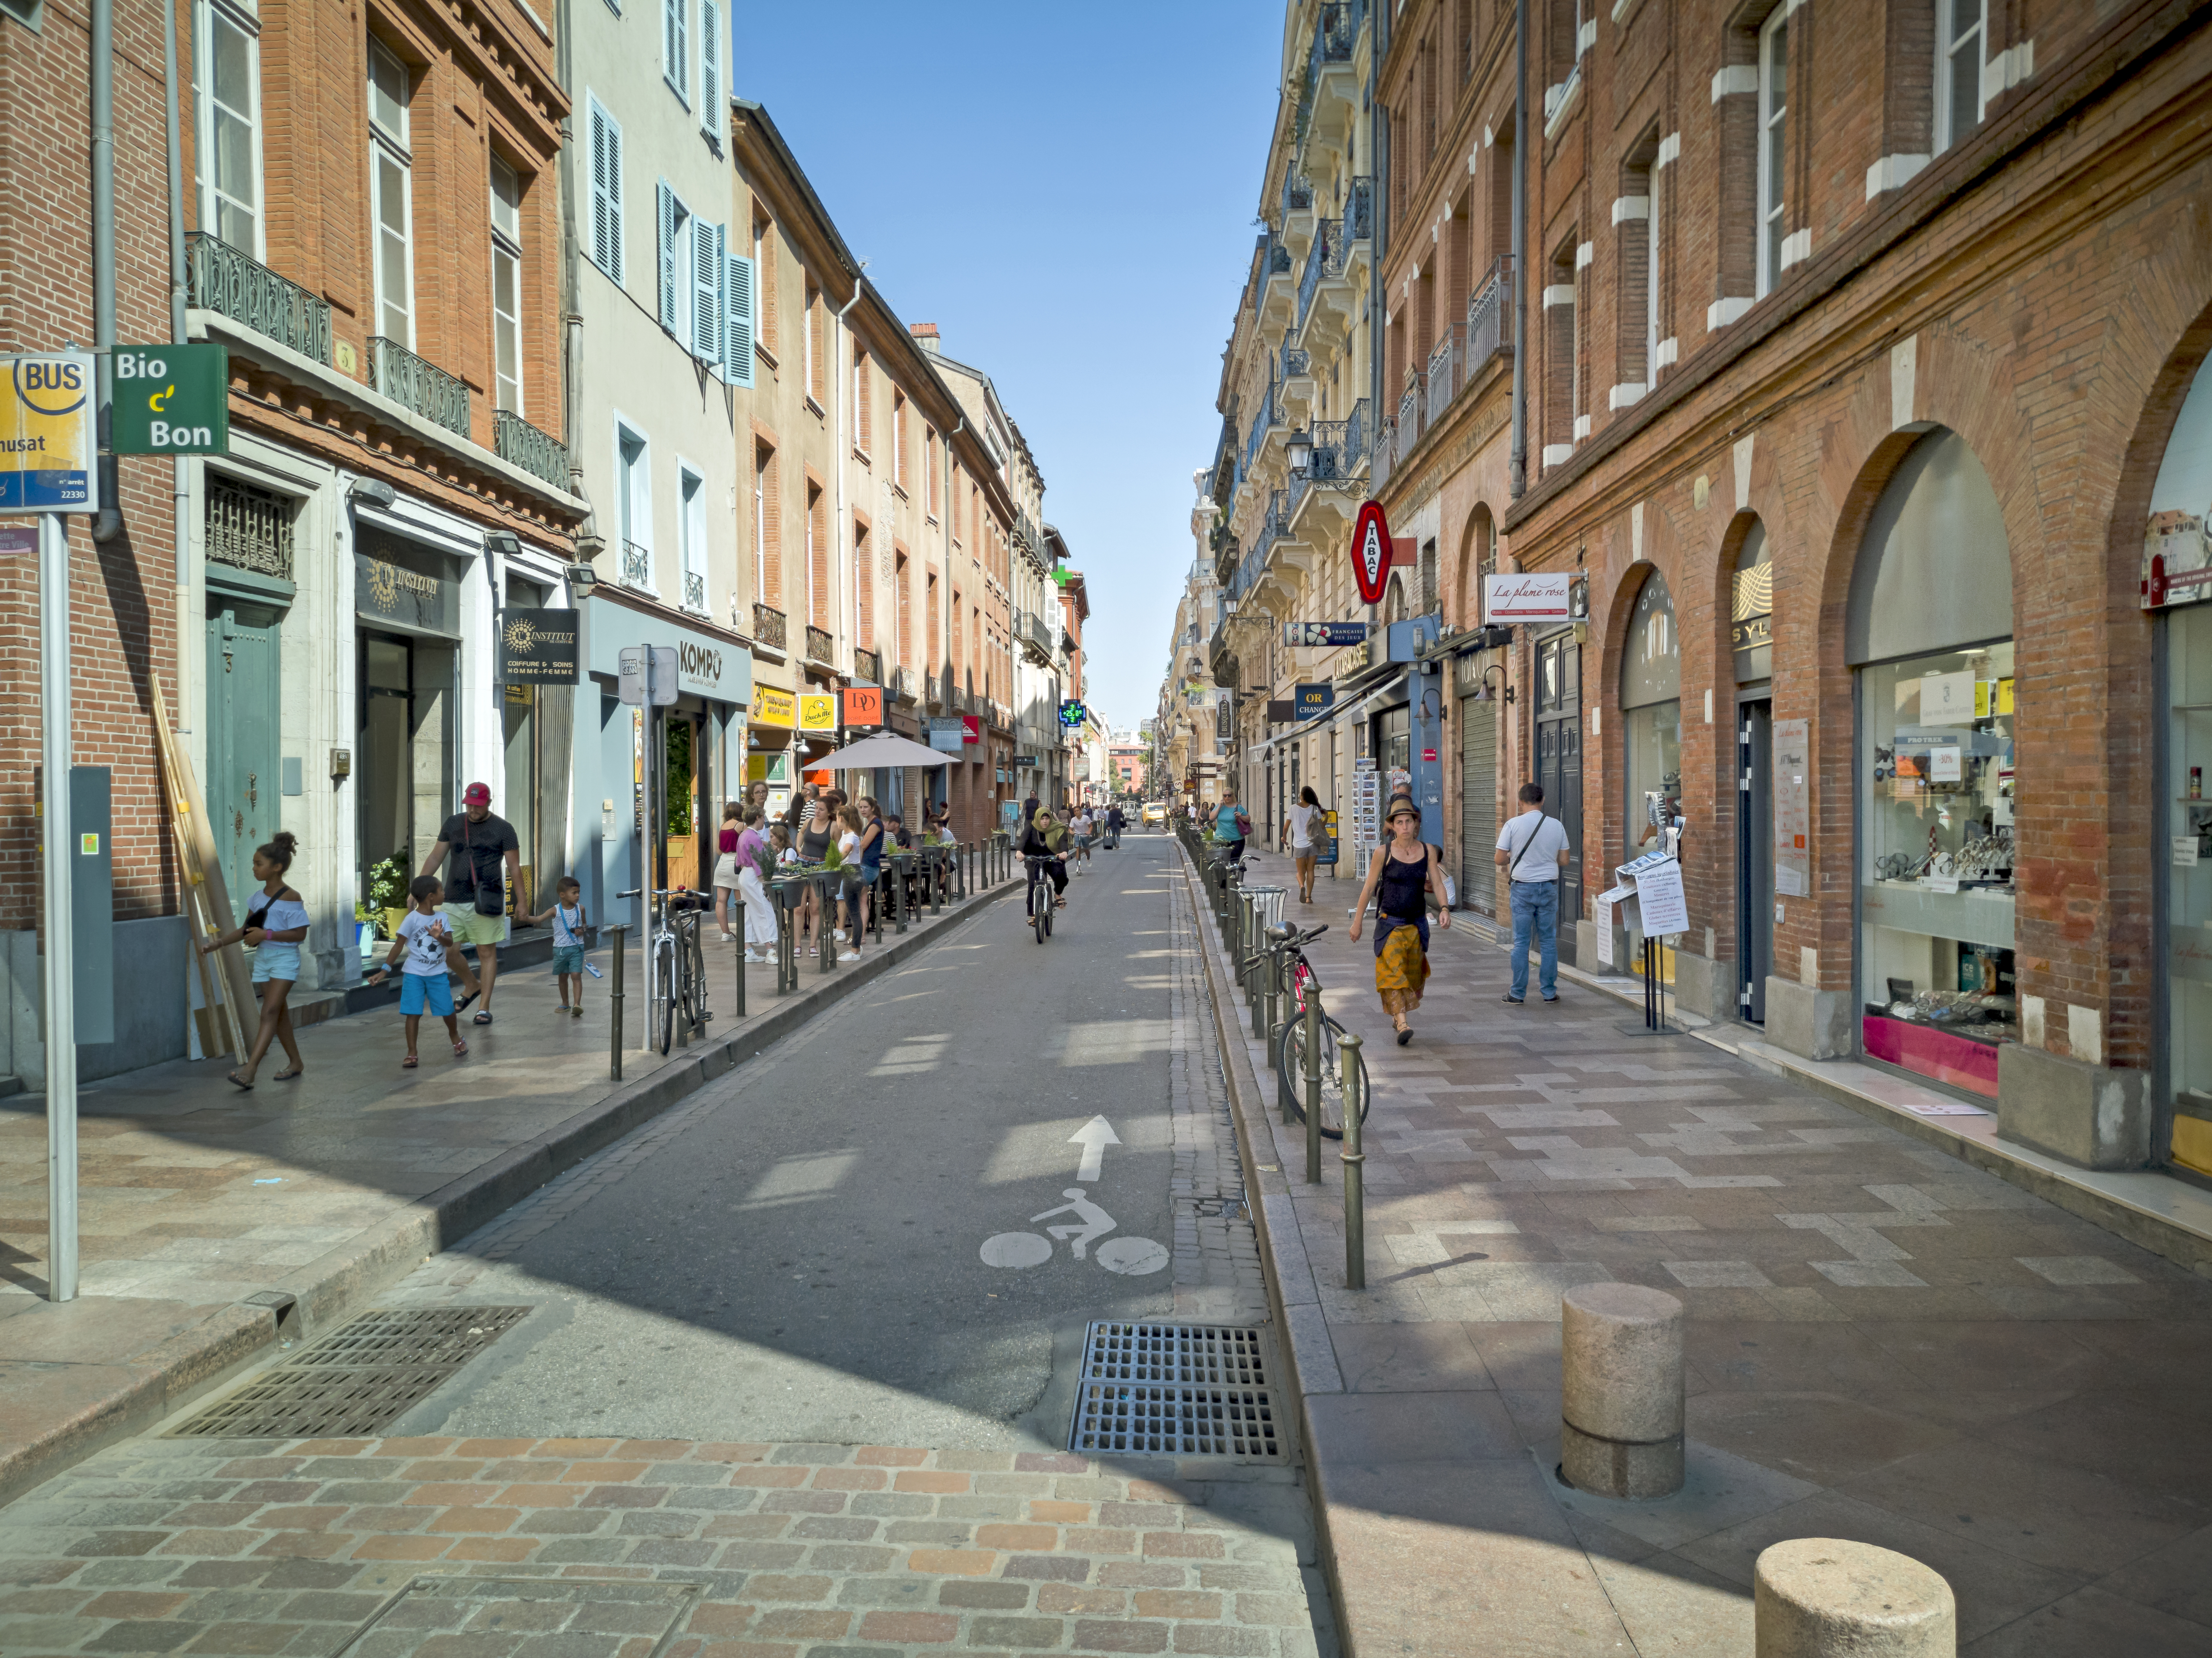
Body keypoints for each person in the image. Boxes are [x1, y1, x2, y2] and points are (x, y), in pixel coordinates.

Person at [198, 831, 310, 1089]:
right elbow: (247, 930)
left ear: (277, 867)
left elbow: (300, 933)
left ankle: (251, 1068)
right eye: (254, 863)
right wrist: (219, 943)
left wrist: (266, 934)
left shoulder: (291, 897)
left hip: (284, 959)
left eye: (259, 864)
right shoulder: (258, 898)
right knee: (278, 1013)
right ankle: (296, 1062)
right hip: (264, 959)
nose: (253, 868)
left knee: (269, 1011)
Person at [1349, 799, 1452, 1044]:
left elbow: (1438, 883)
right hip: (1390, 924)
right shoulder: (1383, 853)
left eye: (1409, 821)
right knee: (1394, 974)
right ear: (1392, 827)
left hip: (1416, 926)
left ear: (1416, 824)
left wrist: (1445, 908)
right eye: (1399, 822)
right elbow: (1369, 888)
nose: (1405, 826)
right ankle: (1403, 1023)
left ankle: (1397, 1016)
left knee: (1413, 978)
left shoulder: (1428, 851)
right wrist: (1358, 922)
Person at [418, 781, 513, 1025]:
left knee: (486, 952)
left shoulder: (504, 829)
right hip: (453, 897)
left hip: (486, 900)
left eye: (478, 805)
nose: (473, 810)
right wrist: (419, 887)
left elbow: (513, 867)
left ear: (488, 803)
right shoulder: (453, 823)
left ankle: (484, 1008)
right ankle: (472, 985)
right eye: (470, 804)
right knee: (448, 951)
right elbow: (435, 857)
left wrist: (521, 904)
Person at [367, 874, 469, 1066]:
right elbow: (398, 946)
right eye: (441, 890)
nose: (444, 893)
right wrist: (384, 971)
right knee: (413, 1013)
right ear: (431, 896)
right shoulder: (412, 919)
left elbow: (450, 942)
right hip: (414, 974)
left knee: (448, 1010)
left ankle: (455, 1037)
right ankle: (412, 1052)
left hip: (438, 974)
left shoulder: (442, 917)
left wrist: (439, 937)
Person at [1496, 781, 1571, 1005]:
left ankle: (1518, 993)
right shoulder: (1557, 826)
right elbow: (1565, 860)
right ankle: (1549, 992)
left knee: (1521, 942)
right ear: (1543, 801)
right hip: (1548, 887)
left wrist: (1513, 856)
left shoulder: (1512, 825)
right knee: (1548, 941)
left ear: (1520, 802)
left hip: (1522, 888)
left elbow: (1499, 859)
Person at [525, 876, 588, 1017]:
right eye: (574, 893)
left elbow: (585, 924)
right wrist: (526, 918)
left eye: (579, 892)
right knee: (563, 976)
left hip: (577, 948)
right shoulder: (555, 910)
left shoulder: (581, 908)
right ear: (563, 895)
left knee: (576, 975)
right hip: (560, 949)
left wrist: (582, 930)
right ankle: (565, 1003)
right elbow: (539, 919)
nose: (578, 895)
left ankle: (577, 1004)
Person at [735, 808, 777, 965]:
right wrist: (766, 883)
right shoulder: (753, 837)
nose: (764, 821)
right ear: (758, 818)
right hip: (754, 876)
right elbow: (759, 863)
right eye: (763, 818)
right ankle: (770, 950)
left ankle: (748, 950)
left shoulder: (745, 834)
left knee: (749, 913)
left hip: (745, 875)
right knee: (763, 910)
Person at [1019, 807, 1070, 918]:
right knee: (1032, 884)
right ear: (1038, 819)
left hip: (1052, 858)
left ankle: (1057, 894)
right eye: (1042, 819)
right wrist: (1019, 852)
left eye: (1047, 818)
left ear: (1051, 819)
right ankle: (1033, 915)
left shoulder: (1058, 828)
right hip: (1034, 859)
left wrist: (1064, 852)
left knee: (1061, 876)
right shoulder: (1031, 828)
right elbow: (1023, 840)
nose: (1045, 821)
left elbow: (1063, 842)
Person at [1283, 786, 1324, 904]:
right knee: (1311, 870)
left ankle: (1302, 885)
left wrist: (1284, 838)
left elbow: (1286, 827)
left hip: (1299, 845)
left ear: (1301, 796)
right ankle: (1309, 898)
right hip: (1313, 844)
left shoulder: (1293, 808)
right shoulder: (1315, 808)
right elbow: (1321, 827)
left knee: (1300, 872)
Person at [712, 802, 744, 942]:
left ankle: (726, 933)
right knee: (742, 900)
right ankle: (745, 932)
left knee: (721, 900)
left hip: (722, 863)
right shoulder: (741, 826)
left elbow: (718, 850)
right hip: (736, 863)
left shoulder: (722, 827)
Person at [1214, 787, 1252, 862]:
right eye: (1225, 796)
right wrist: (1219, 807)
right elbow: (1212, 817)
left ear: (1233, 796)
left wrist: (1241, 816)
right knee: (1221, 864)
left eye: (1229, 795)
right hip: (1221, 840)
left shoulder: (1238, 807)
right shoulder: (1220, 807)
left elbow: (1248, 819)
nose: (1227, 797)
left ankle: (1236, 874)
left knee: (1234, 863)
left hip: (1237, 841)